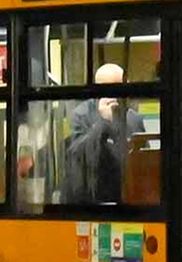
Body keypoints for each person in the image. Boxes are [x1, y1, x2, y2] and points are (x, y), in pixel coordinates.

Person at [62, 63, 146, 204]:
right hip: (90, 196)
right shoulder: (80, 115)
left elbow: (142, 158)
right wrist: (103, 122)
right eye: (118, 88)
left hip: (124, 196)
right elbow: (76, 154)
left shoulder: (133, 118)